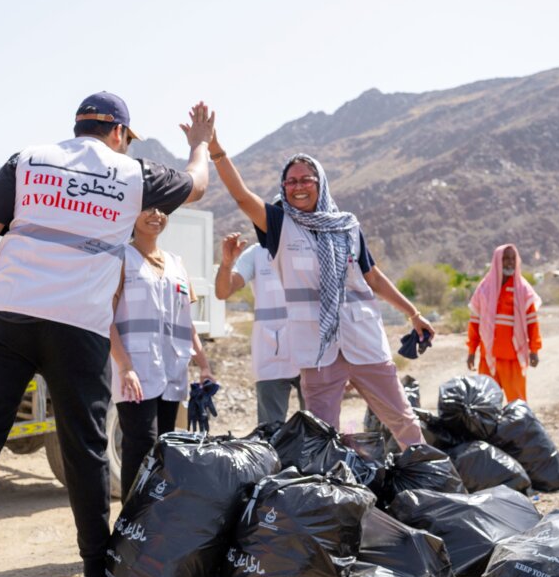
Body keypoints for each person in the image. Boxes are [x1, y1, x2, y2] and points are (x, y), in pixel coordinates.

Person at [0, 92, 215, 577]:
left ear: (78, 126)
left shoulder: (28, 160)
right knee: (84, 445)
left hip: (9, 313)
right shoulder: (133, 173)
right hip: (78, 324)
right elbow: (197, 185)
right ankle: (94, 572)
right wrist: (199, 143)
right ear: (119, 133)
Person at [208, 132, 433, 448]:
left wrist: (413, 313)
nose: (298, 186)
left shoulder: (347, 227)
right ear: (283, 188)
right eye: (291, 181)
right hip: (318, 349)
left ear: (321, 183)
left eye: (306, 179)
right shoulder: (282, 227)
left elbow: (373, 277)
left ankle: (428, 472)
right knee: (320, 435)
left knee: (402, 419)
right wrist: (216, 150)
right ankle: (329, 481)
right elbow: (242, 197)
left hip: (363, 339)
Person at [109, 207, 214, 500]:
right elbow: (105, 317)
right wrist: (124, 366)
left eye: (162, 209)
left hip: (173, 371)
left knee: (166, 446)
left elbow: (187, 323)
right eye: (147, 208)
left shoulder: (177, 264)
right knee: (141, 444)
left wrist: (204, 365)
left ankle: (156, 515)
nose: (156, 214)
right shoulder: (121, 259)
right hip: (135, 371)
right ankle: (131, 517)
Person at [214, 233, 304, 425]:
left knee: (318, 429)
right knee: (270, 429)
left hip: (310, 350)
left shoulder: (310, 246)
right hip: (270, 353)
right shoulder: (257, 253)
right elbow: (223, 292)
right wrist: (227, 264)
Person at [466, 244, 542, 403]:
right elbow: (475, 323)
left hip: (513, 359)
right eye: (505, 259)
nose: (510, 263)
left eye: (513, 259)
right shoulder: (484, 288)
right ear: (497, 261)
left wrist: (534, 349)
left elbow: (532, 323)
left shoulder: (523, 289)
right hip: (488, 358)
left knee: (517, 405)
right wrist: (471, 351)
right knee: (486, 404)